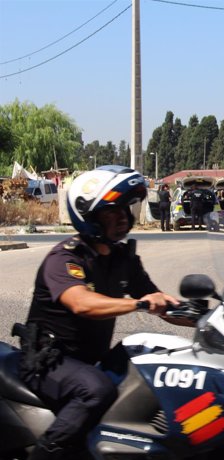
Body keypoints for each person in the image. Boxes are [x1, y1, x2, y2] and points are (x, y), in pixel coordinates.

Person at [16, 165, 180, 459]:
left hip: (89, 358)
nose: (122, 217)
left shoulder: (122, 258)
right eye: (111, 212)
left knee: (158, 366)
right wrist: (139, 304)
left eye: (124, 210)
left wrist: (210, 318)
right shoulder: (65, 258)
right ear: (89, 216)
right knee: (96, 390)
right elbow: (82, 302)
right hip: (48, 361)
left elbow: (156, 298)